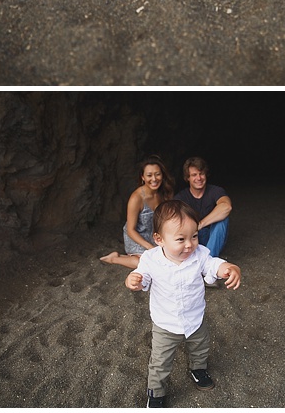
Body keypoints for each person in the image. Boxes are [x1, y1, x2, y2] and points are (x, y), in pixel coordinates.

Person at [126, 200, 243, 408]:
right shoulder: (150, 259)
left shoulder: (199, 254)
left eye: (194, 236)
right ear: (159, 239)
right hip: (165, 323)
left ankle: (198, 369)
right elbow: (142, 275)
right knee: (160, 361)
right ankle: (156, 392)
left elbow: (212, 264)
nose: (190, 244)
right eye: (181, 239)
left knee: (200, 347)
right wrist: (134, 280)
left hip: (195, 318)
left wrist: (228, 267)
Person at [101, 158, 173, 267]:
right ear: (143, 177)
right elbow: (130, 230)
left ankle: (127, 257)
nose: (154, 179)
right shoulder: (136, 198)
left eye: (157, 174)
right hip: (137, 237)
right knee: (144, 264)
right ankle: (114, 259)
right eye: (149, 175)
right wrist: (149, 247)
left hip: (154, 236)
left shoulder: (163, 193)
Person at [172, 157, 233, 258]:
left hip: (213, 236)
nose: (199, 178)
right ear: (187, 178)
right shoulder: (180, 197)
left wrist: (200, 224)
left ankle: (209, 258)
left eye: (201, 174)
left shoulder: (215, 191)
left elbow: (226, 207)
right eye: (194, 175)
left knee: (223, 219)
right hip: (192, 237)